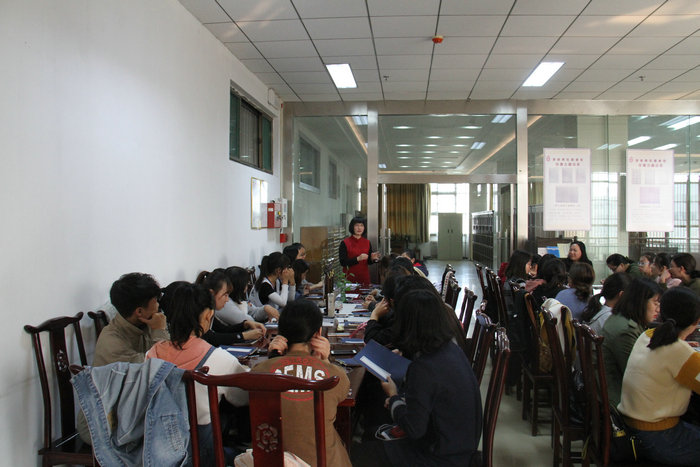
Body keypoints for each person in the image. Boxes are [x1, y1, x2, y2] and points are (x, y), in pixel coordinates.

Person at [146, 283, 248, 466]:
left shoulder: (150, 355)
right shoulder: (220, 358)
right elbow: (243, 398)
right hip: (202, 453)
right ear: (208, 315)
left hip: (158, 450)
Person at [380, 289, 482, 466]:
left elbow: (413, 429)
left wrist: (394, 396)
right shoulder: (451, 349)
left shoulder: (423, 367)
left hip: (441, 458)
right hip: (461, 449)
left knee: (362, 452)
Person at [252, 300, 351, 467]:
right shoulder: (335, 376)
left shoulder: (259, 372)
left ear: (280, 333)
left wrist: (273, 358)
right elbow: (342, 393)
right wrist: (325, 361)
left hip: (273, 461)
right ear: (318, 333)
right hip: (324, 461)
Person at [78, 272, 169, 445]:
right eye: (155, 302)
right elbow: (161, 367)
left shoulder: (143, 324)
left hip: (130, 410)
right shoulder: (112, 341)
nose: (158, 306)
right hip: (103, 423)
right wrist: (159, 331)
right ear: (139, 311)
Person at [618, 287, 700, 466]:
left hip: (631, 428)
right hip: (658, 437)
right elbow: (681, 360)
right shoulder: (681, 353)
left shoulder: (647, 335)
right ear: (696, 321)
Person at [601, 278, 662, 407]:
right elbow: (639, 377)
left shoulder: (621, 318)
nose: (658, 309)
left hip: (613, 390)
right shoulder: (626, 331)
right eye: (655, 303)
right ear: (640, 302)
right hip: (619, 400)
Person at [195, 269, 266, 344]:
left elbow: (223, 329)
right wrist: (244, 336)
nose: (227, 300)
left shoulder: (210, 309)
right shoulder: (200, 312)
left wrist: (245, 324)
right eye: (225, 295)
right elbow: (211, 338)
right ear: (212, 293)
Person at [338, 216, 379, 285]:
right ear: (352, 227)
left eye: (361, 225)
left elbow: (368, 262)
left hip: (364, 277)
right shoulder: (345, 243)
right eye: (356, 225)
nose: (359, 228)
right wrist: (357, 259)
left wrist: (372, 259)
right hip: (349, 279)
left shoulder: (367, 242)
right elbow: (343, 262)